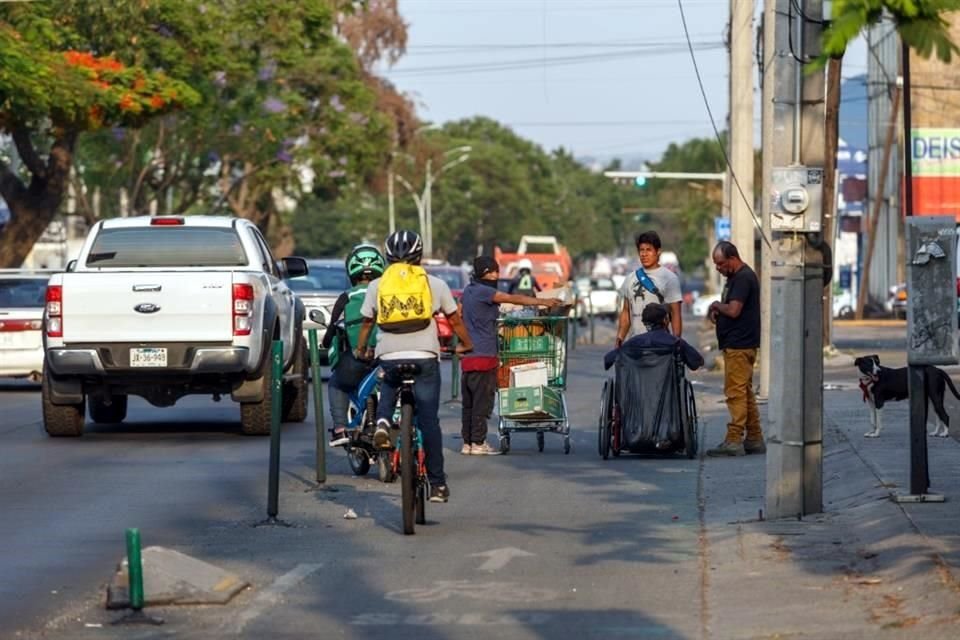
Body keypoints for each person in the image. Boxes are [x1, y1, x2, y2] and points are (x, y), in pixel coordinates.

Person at [354, 230, 473, 503]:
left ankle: (383, 421)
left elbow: (367, 323)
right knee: (429, 422)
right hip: (425, 356)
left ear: (388, 257)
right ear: (419, 257)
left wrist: (362, 348)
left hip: (390, 355)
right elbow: (455, 322)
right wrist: (466, 345)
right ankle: (438, 484)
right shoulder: (435, 284)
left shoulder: (377, 286)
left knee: (390, 383)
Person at [459, 256, 563, 456]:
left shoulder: (468, 291)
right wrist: (543, 301)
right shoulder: (485, 291)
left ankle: (468, 443)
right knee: (483, 403)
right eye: (493, 272)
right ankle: (479, 442)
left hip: (469, 357)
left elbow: (459, 313)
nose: (496, 275)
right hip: (485, 356)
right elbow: (514, 298)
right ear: (484, 273)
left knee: (469, 404)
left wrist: (461, 343)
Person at [322, 244, 385, 447]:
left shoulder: (347, 297)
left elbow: (332, 328)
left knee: (336, 384)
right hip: (388, 355)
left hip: (359, 358)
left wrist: (325, 342)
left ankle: (340, 429)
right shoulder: (387, 292)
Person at [706, 241, 764, 457]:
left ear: (732, 258)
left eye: (720, 264)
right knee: (745, 392)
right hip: (738, 343)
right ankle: (754, 438)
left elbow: (734, 310)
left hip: (740, 345)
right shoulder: (735, 279)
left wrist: (716, 306)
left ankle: (734, 440)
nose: (718, 268)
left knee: (735, 393)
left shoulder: (742, 278)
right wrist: (718, 312)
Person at [616, 231, 683, 347]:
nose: (644, 254)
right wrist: (620, 338)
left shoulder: (670, 278)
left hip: (660, 346)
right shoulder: (630, 279)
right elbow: (626, 313)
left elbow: (675, 313)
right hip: (635, 344)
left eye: (649, 250)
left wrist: (676, 341)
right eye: (641, 250)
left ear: (658, 252)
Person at [604, 303, 703, 371]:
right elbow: (696, 362)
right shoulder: (676, 343)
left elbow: (608, 360)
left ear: (644, 322)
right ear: (665, 320)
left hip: (637, 394)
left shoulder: (632, 343)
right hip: (668, 396)